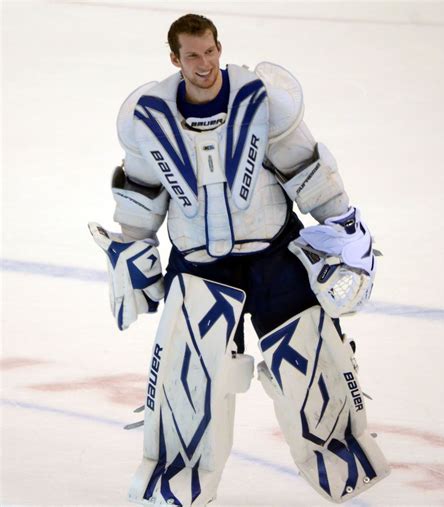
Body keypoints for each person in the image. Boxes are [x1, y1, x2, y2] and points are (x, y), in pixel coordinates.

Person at [89, 13, 389, 507]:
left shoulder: (263, 99)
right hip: (200, 266)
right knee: (186, 379)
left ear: (219, 48)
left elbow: (309, 170)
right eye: (192, 55)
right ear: (174, 58)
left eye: (209, 52)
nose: (203, 63)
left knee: (311, 366)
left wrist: (345, 234)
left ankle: (342, 458)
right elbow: (141, 196)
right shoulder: (149, 118)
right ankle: (174, 478)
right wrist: (132, 254)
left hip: (274, 256)